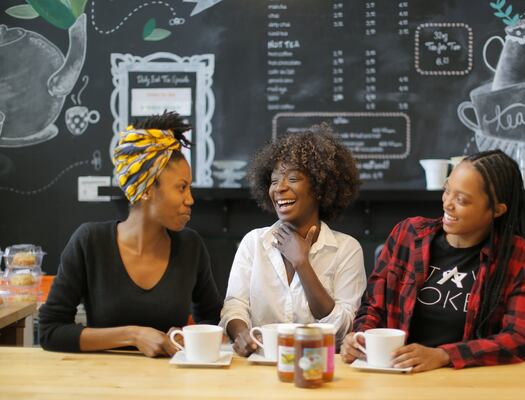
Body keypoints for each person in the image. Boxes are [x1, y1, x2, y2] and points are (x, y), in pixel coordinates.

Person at [341, 149, 525, 372]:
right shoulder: (408, 236)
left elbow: (521, 339)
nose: (447, 203)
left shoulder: (518, 258)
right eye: (447, 190)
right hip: (398, 377)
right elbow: (373, 307)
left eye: (462, 200)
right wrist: (360, 338)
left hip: (471, 386)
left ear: (496, 210)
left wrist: (444, 355)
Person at [39, 111, 222, 357]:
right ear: (146, 190)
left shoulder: (191, 246)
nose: (190, 199)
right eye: (181, 188)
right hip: (101, 385)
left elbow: (211, 320)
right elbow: (51, 331)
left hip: (170, 385)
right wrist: (134, 335)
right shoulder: (90, 242)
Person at [220, 124, 366, 356]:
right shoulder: (254, 242)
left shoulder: (346, 249)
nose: (280, 188)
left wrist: (302, 264)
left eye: (293, 178)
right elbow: (235, 306)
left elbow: (343, 328)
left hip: (316, 369)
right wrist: (241, 334)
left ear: (319, 187)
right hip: (260, 366)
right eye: (274, 180)